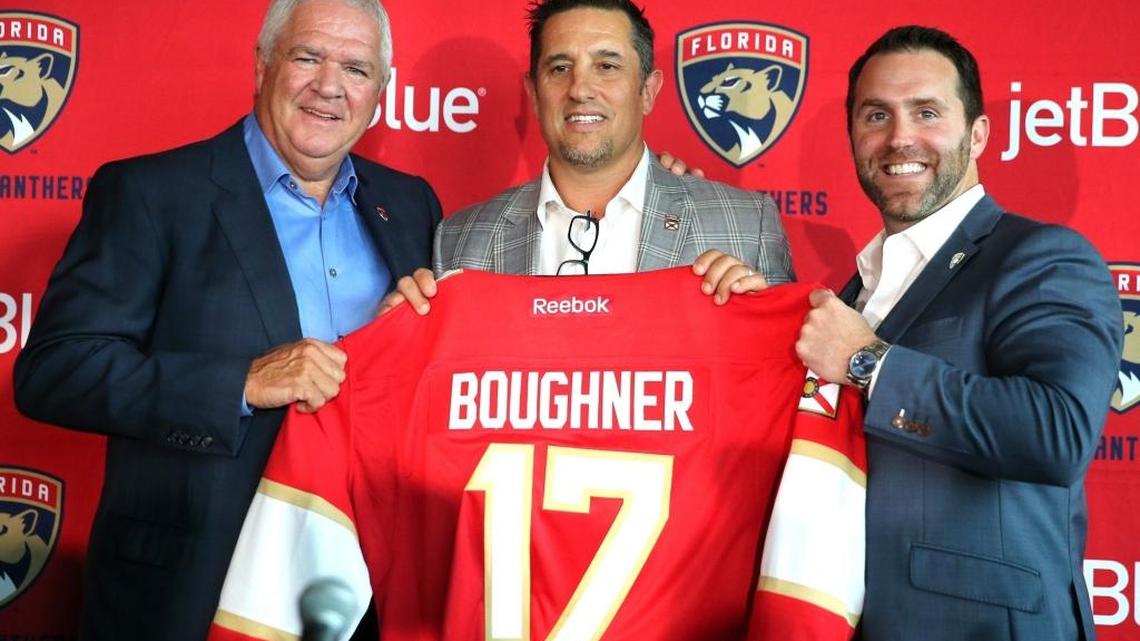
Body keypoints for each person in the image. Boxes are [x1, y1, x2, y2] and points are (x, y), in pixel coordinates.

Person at [12, 1, 439, 639]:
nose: (330, 85)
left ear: (380, 90)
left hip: (363, 582)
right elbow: (55, 370)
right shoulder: (151, 193)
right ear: (263, 64)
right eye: (308, 57)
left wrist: (400, 344)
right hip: (193, 587)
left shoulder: (410, 203)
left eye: (356, 68)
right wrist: (242, 382)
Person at [796, 26, 1122, 641]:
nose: (899, 137)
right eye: (876, 115)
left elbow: (1057, 434)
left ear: (977, 134)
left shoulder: (1042, 257)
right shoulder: (856, 290)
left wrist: (868, 362)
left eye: (927, 112)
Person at [386, 0, 792, 313]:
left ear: (648, 91)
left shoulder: (746, 224)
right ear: (533, 93)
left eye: (607, 66)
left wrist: (763, 320)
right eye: (560, 68)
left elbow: (795, 382)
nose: (580, 89)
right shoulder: (461, 240)